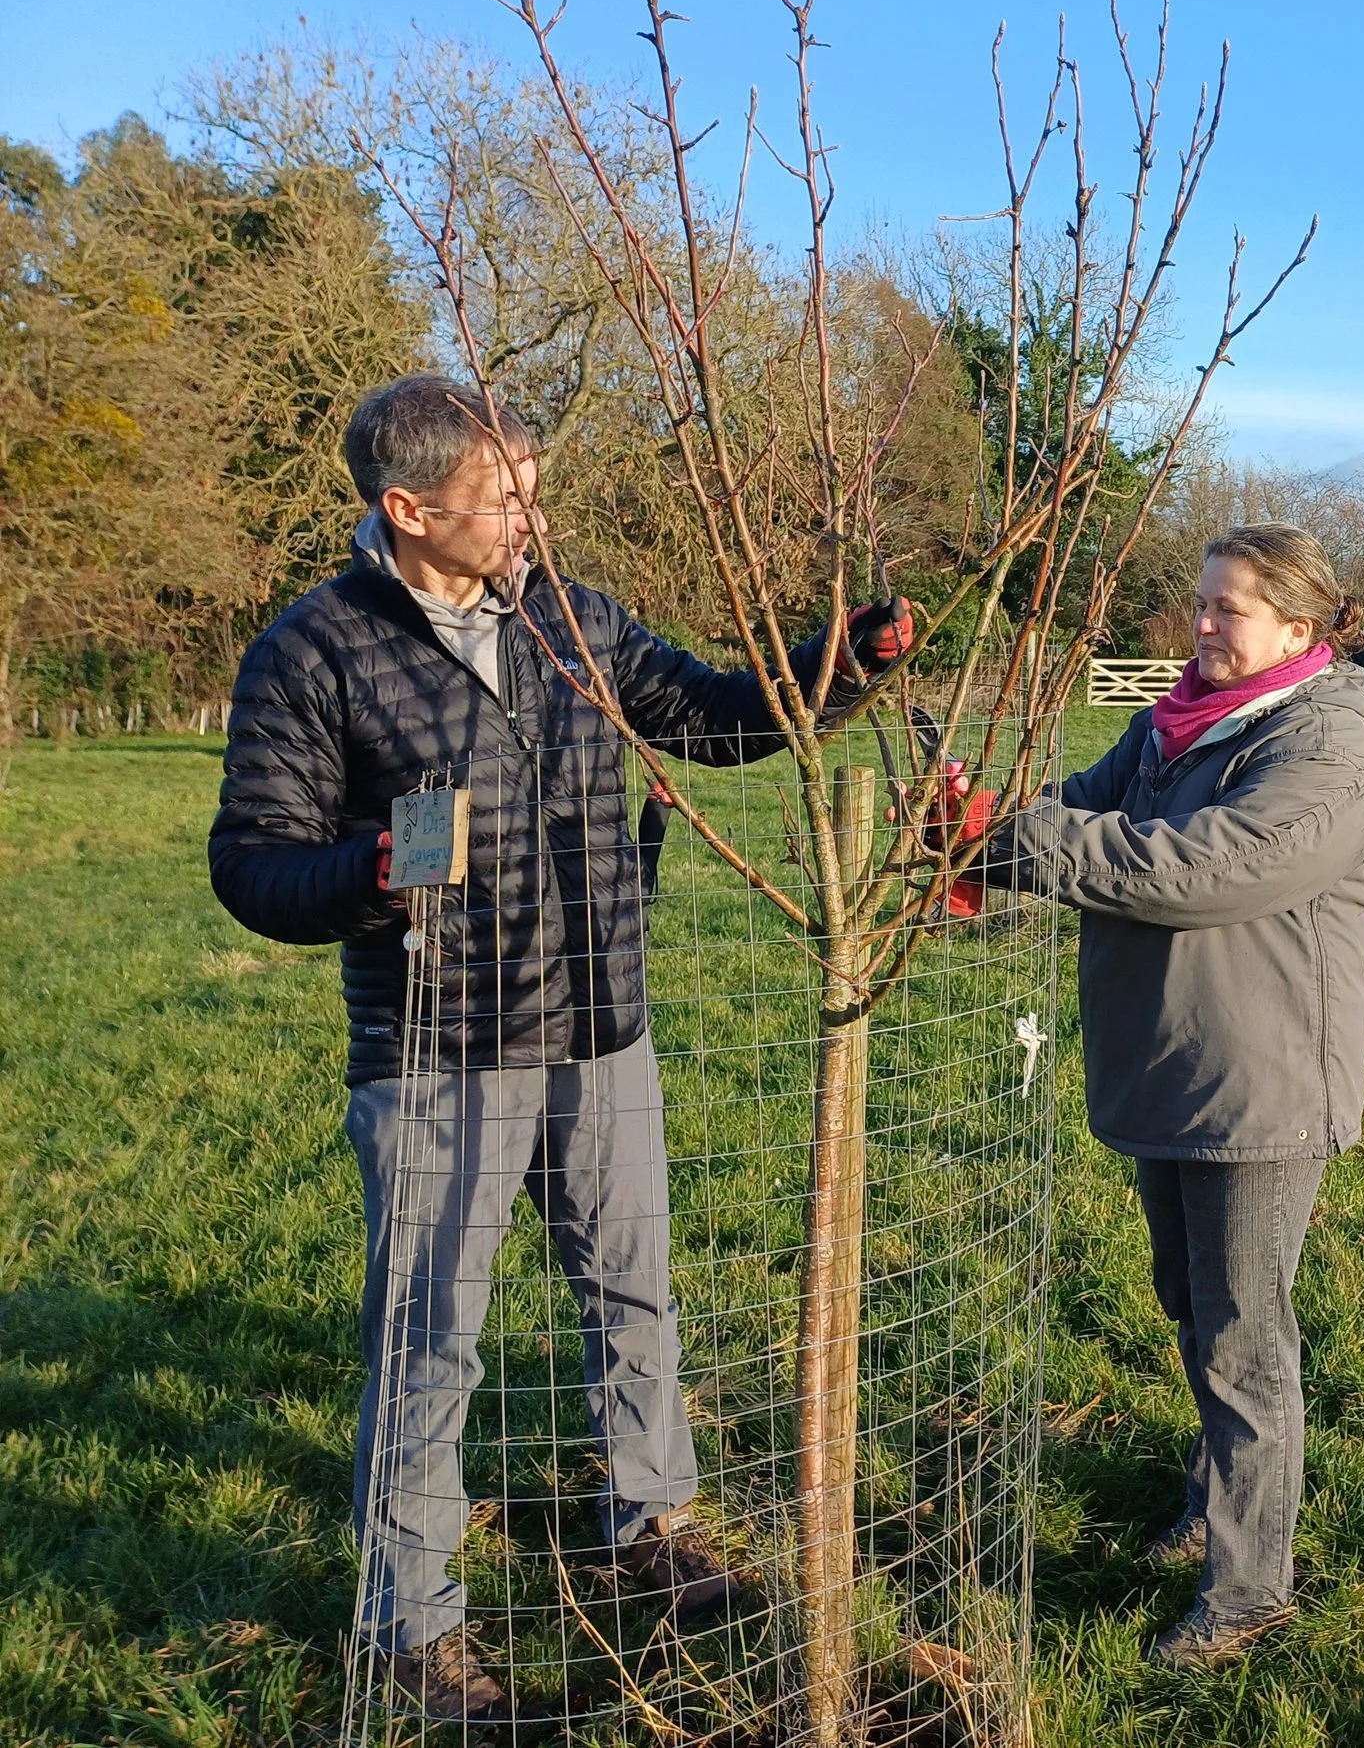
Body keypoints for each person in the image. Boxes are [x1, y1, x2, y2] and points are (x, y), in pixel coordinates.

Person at [207, 374, 913, 1720]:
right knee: (430, 1341)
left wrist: (841, 661)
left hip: (602, 1029)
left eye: (534, 489)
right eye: (502, 498)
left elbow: (710, 712)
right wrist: (374, 868)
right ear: (407, 509)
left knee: (634, 1294)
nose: (529, 517)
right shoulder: (313, 653)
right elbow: (251, 864)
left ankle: (650, 1525)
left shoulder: (570, 616)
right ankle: (412, 1624)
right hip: (438, 1053)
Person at [986, 523, 1364, 1670]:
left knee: (1244, 1342)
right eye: (1202, 602)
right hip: (1176, 1064)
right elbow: (1083, 808)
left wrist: (1028, 839)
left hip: (1261, 1084)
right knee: (1194, 1307)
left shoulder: (1325, 751)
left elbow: (1206, 868)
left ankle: (1249, 1590)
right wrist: (978, 832)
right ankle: (1217, 1506)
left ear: (1298, 629)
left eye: (1230, 609)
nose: (1202, 624)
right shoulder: (1173, 724)